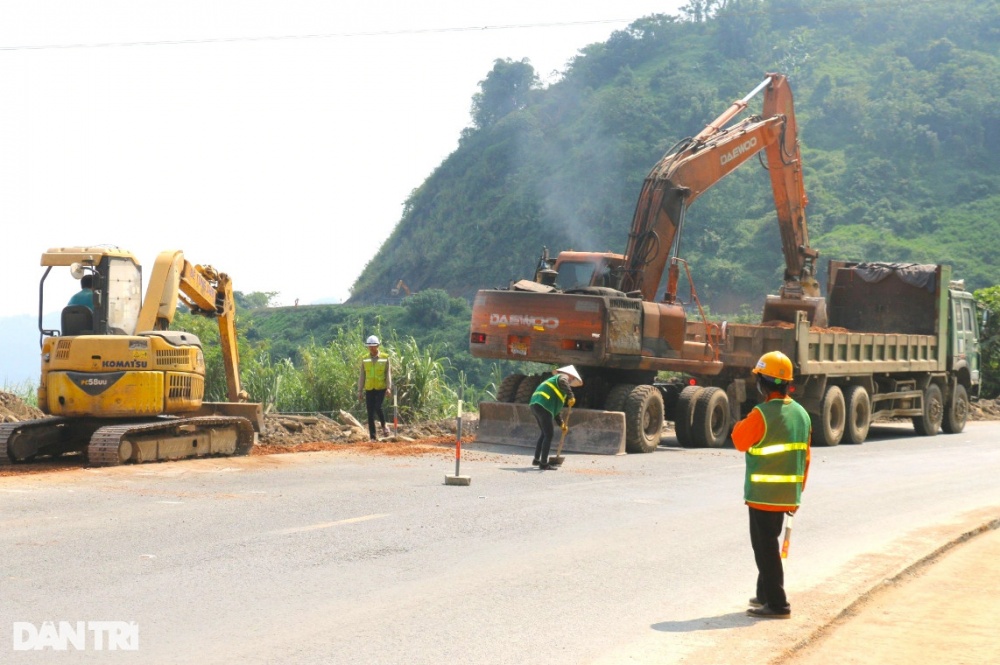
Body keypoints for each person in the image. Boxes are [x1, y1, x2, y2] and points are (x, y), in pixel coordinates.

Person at [731, 350, 811, 620]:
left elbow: (739, 440)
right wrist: (798, 492)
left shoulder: (761, 414)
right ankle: (764, 593)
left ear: (763, 383)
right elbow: (805, 458)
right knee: (769, 545)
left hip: (763, 495)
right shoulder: (802, 414)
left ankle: (778, 604)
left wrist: (745, 419)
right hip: (788, 493)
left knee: (764, 548)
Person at [529, 365, 582, 470]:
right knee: (549, 435)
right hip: (544, 404)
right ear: (570, 374)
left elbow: (556, 410)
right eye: (572, 378)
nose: (571, 381)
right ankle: (543, 464)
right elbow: (564, 381)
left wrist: (561, 424)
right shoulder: (563, 376)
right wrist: (571, 396)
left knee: (544, 433)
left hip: (536, 404)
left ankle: (536, 460)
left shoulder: (557, 386)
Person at [357, 335, 392, 441]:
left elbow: (388, 374)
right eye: (369, 346)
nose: (371, 348)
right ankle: (373, 437)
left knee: (378, 407)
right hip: (369, 388)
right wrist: (360, 390)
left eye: (373, 346)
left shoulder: (385, 358)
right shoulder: (364, 359)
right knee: (370, 412)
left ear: (378, 346)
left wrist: (389, 387)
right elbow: (362, 375)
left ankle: (384, 425)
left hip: (381, 387)